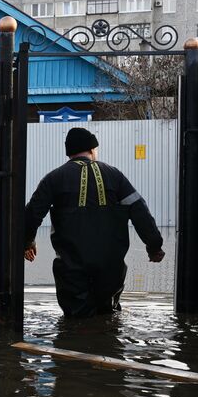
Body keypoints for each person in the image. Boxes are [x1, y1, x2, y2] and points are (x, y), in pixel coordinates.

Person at [23, 126, 165, 317]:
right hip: (111, 268)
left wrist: (27, 241)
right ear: (91, 149)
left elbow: (32, 214)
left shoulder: (54, 179)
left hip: (72, 270)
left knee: (76, 321)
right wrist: (154, 245)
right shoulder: (115, 176)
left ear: (69, 152)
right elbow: (139, 210)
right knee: (109, 319)